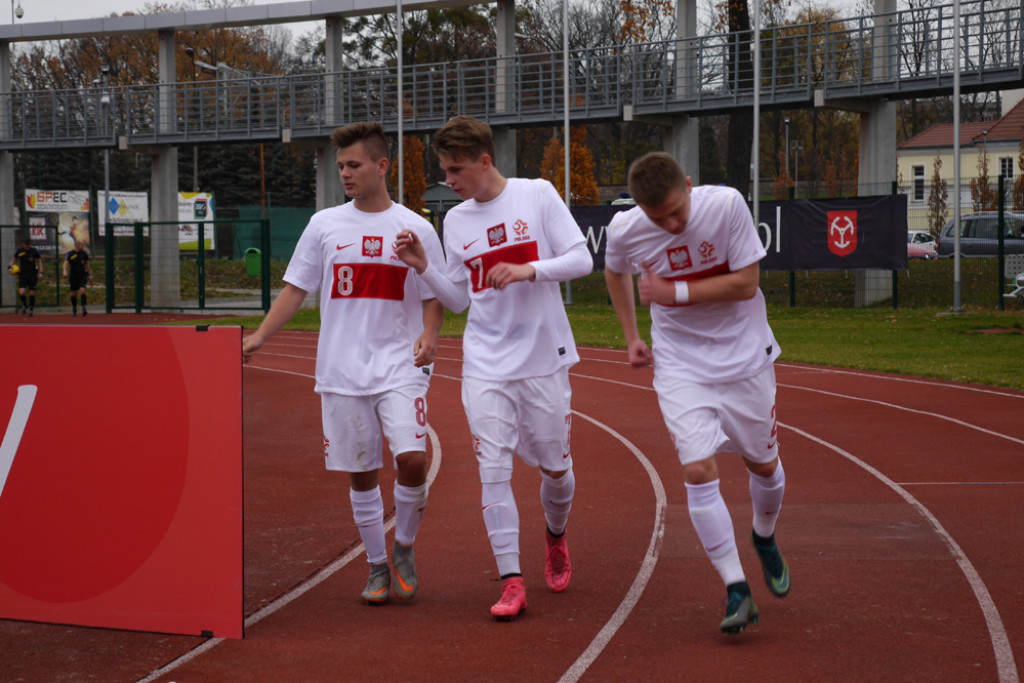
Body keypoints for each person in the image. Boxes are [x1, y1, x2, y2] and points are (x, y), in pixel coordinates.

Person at [393, 115, 593, 621]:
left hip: (543, 357)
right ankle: (511, 580)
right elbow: (460, 299)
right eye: (444, 171)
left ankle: (555, 535)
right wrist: (424, 267)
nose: (450, 180)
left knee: (556, 466)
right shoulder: (456, 221)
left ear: (486, 161)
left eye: (456, 169)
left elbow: (581, 259)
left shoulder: (537, 194)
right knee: (493, 468)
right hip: (485, 361)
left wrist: (530, 269)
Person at [242, 122, 446, 605]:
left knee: (413, 459)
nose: (345, 174)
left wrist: (430, 336)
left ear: (382, 166)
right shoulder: (324, 225)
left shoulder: (415, 226)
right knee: (362, 472)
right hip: (341, 369)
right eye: (340, 167)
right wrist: (262, 336)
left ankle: (404, 547)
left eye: (354, 165)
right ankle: (376, 565)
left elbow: (434, 292)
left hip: (400, 366)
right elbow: (296, 289)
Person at [603, 152, 789, 636]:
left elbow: (748, 283)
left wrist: (674, 293)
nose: (670, 223)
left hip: (744, 358)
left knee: (763, 466)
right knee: (696, 467)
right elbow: (614, 270)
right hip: (680, 363)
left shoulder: (726, 205)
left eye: (676, 211)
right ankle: (736, 588)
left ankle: (764, 537)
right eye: (657, 217)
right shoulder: (627, 229)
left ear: (689, 185)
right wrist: (631, 337)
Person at [9, 238, 42, 316]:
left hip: (32, 273)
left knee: (31, 293)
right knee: (22, 292)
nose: (27, 247)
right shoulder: (19, 251)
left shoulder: (34, 251)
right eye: (25, 245)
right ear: (23, 244)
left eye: (28, 245)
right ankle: (25, 305)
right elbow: (14, 260)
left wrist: (41, 272)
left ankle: (31, 309)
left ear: (30, 245)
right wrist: (9, 268)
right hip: (22, 274)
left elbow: (39, 261)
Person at [63, 240, 92, 317]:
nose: (83, 246)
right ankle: (74, 308)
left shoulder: (84, 254)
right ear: (77, 245)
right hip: (73, 275)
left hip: (82, 274)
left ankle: (83, 308)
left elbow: (87, 264)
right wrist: (64, 271)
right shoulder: (70, 253)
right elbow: (65, 262)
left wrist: (89, 274)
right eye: (81, 245)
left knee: (82, 291)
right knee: (74, 293)